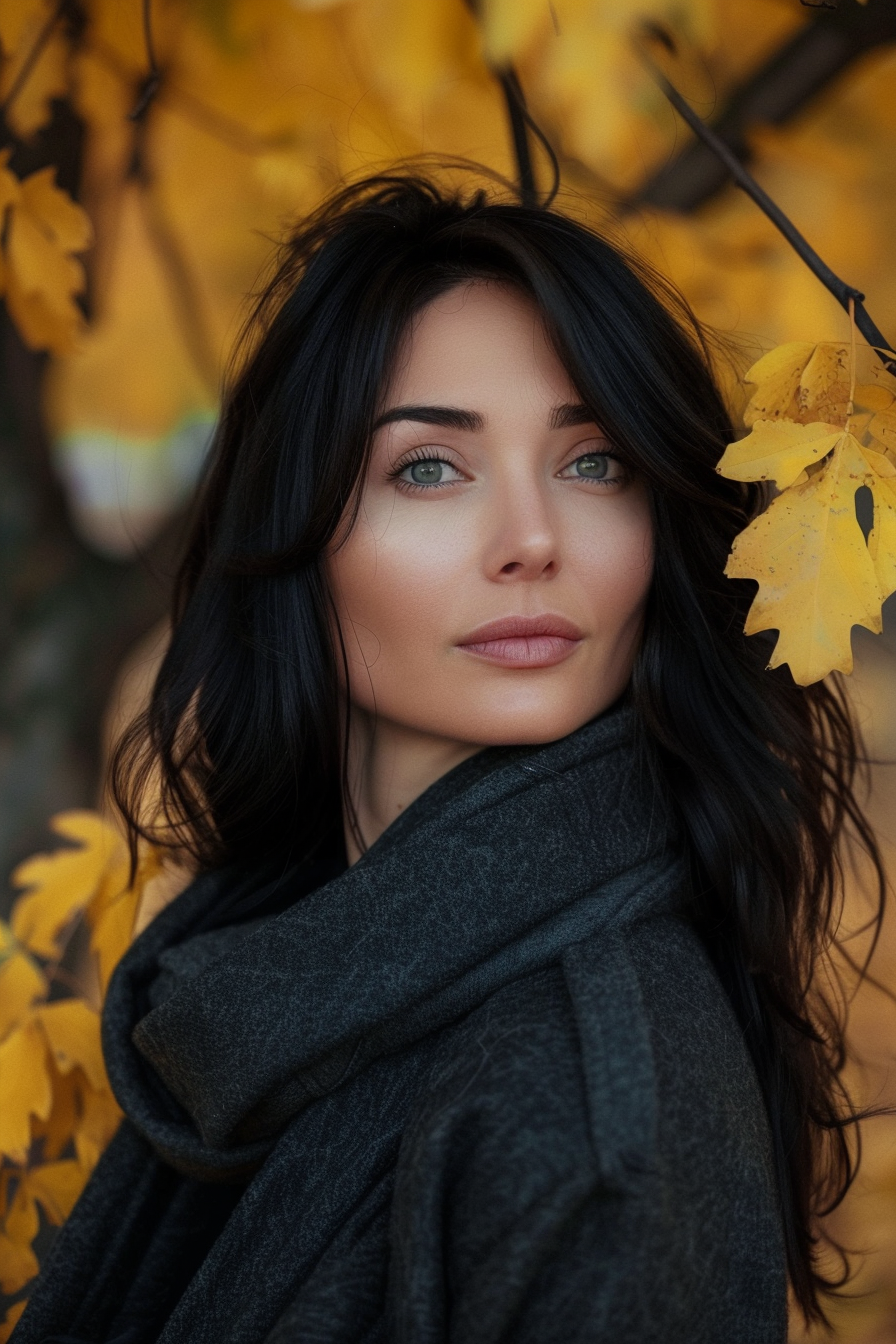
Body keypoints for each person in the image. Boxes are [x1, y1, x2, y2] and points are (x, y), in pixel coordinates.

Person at [12, 172, 883, 1344]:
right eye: (428, 467)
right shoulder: (253, 990)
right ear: (299, 533)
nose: (530, 540)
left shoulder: (586, 1124)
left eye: (594, 463)